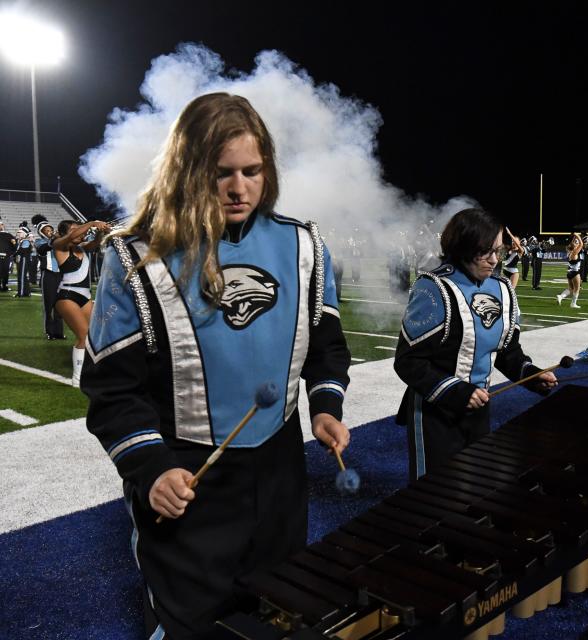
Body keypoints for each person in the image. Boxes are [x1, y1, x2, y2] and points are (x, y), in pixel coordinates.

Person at [82, 93, 352, 639]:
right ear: (188, 169)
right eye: (221, 172)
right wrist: (152, 469)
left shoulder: (303, 245)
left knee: (276, 611)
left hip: (280, 468)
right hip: (187, 475)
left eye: (252, 171)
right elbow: (113, 390)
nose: (238, 188)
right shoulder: (136, 258)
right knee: (193, 626)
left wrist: (325, 405)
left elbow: (325, 344)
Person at [394, 208, 558, 481]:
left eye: (498, 251)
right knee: (436, 496)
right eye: (487, 252)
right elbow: (408, 361)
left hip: (480, 409)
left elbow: (507, 350)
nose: (495, 260)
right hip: (436, 414)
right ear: (464, 247)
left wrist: (530, 374)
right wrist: (456, 392)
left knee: (474, 489)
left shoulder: (502, 288)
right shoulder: (435, 288)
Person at [53, 219, 110, 384]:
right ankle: (77, 379)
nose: (80, 232)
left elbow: (97, 241)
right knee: (83, 335)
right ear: (65, 233)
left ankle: (93, 371)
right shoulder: (59, 244)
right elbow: (75, 234)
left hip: (85, 296)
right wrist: (92, 223)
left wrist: (101, 229)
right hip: (66, 296)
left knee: (96, 334)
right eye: (74, 229)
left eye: (80, 229)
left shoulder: (83, 248)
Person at [32, 215, 66, 340]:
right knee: (49, 304)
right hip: (48, 275)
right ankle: (50, 332)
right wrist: (55, 239)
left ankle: (59, 332)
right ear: (41, 232)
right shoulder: (39, 241)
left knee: (60, 305)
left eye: (50, 229)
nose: (49, 231)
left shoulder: (58, 240)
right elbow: (44, 249)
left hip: (61, 275)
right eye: (46, 230)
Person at [556, 232, 584, 308]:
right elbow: (581, 244)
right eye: (575, 244)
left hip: (569, 272)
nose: (576, 244)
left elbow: (572, 244)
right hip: (575, 272)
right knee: (577, 289)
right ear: (574, 246)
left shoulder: (569, 251)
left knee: (571, 288)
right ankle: (573, 304)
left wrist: (574, 237)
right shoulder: (574, 252)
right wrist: (578, 236)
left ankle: (561, 296)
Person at [13, 224, 33, 298]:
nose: (18, 233)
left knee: (21, 277)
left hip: (24, 259)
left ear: (24, 233)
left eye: (20, 232)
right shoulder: (21, 241)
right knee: (23, 277)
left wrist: (15, 250)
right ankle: (27, 292)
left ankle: (21, 293)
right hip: (22, 259)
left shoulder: (25, 241)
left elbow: (22, 251)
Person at [0, 220, 14, 292]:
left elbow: (14, 245)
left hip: (6, 257)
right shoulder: (9, 235)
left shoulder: (9, 235)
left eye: (1, 225)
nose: (1, 226)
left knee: (5, 272)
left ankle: (4, 286)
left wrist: (10, 253)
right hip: (5, 256)